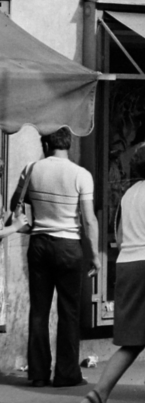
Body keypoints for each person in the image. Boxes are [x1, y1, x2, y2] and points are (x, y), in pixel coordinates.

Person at [80, 139, 145, 403]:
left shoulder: (128, 193)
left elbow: (118, 237)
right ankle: (102, 393)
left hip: (126, 265)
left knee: (143, 338)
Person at [5, 128, 97, 387]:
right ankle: (67, 374)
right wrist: (95, 256)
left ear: (45, 143)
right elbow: (89, 219)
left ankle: (38, 373)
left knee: (39, 309)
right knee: (69, 310)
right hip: (69, 246)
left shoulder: (31, 168)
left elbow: (15, 206)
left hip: (39, 244)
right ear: (68, 143)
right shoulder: (81, 175)